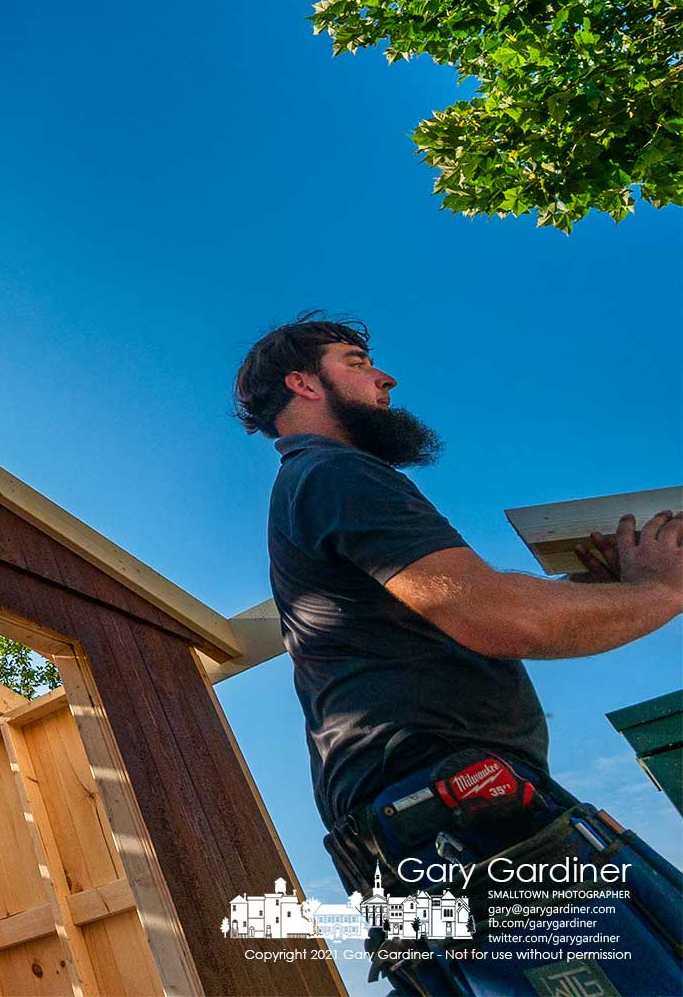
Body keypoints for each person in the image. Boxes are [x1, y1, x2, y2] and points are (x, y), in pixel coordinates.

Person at [234, 313, 683, 994]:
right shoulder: (333, 473)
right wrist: (662, 591)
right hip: (453, 819)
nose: (385, 376)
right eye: (356, 361)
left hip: (434, 826)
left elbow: (482, 604)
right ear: (303, 383)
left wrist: (603, 586)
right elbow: (501, 617)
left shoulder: (315, 485)